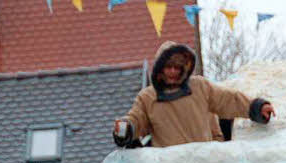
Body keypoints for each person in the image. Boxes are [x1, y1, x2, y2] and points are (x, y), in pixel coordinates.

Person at [113, 41, 274, 149]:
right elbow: (136, 120)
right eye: (168, 67)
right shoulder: (147, 97)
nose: (173, 71)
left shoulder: (199, 87)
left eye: (177, 67)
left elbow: (228, 100)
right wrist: (125, 128)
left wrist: (256, 107)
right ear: (159, 68)